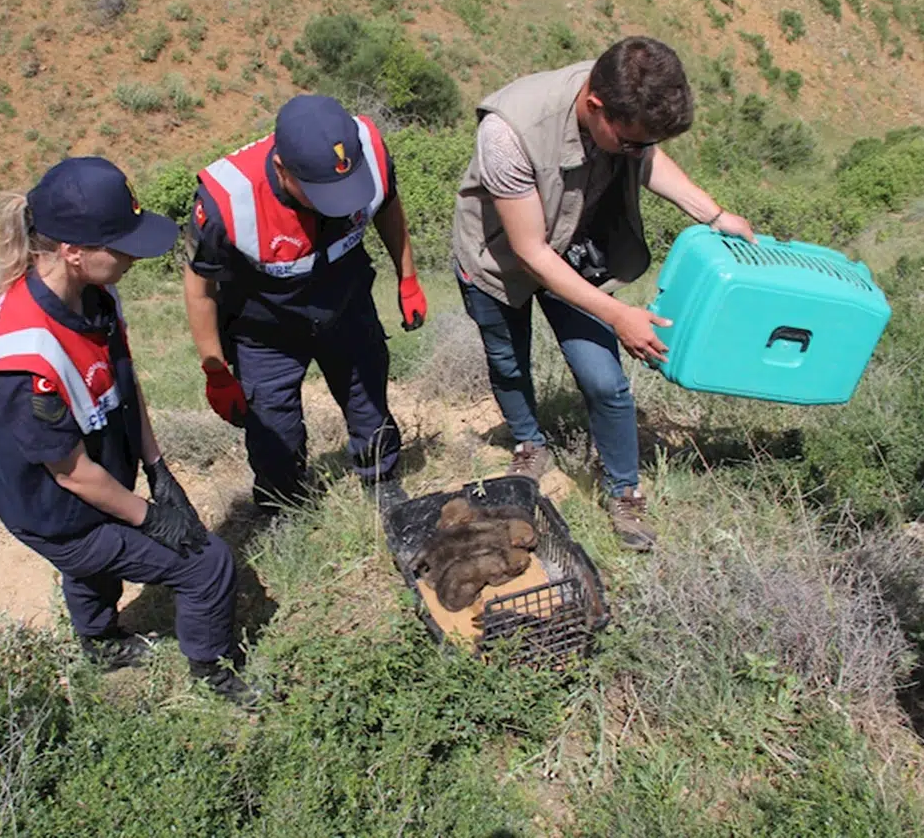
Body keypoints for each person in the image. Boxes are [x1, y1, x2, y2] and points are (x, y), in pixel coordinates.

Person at [450, 36, 756, 551]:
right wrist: (618, 315)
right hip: (498, 258)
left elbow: (649, 158)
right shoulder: (508, 133)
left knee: (605, 381)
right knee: (507, 362)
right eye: (630, 143)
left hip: (571, 247)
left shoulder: (623, 94)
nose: (637, 152)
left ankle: (623, 490)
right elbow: (530, 251)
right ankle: (528, 442)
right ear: (595, 106)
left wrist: (715, 214)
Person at [0, 156, 259, 706]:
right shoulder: (24, 356)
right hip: (55, 513)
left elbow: (123, 386)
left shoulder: (95, 296)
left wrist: (157, 467)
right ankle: (213, 671)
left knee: (96, 571)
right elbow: (72, 474)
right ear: (72, 251)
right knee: (206, 564)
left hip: (93, 483)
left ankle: (100, 643)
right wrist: (150, 517)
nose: (133, 257)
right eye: (121, 246)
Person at [182, 94, 429, 516]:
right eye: (322, 192)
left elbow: (388, 205)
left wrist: (407, 277)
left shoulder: (367, 149)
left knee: (368, 403)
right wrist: (216, 370)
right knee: (274, 431)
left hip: (347, 304)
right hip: (265, 330)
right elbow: (199, 288)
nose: (340, 201)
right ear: (282, 169)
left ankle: (381, 480)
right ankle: (286, 506)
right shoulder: (227, 202)